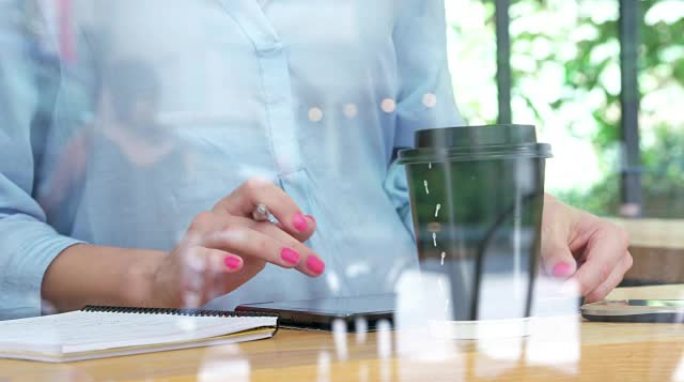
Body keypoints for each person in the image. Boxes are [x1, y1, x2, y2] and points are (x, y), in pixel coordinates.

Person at [0, 0, 631, 320]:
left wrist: (529, 215)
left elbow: (419, 172)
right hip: (151, 364)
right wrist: (155, 280)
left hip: (390, 348)